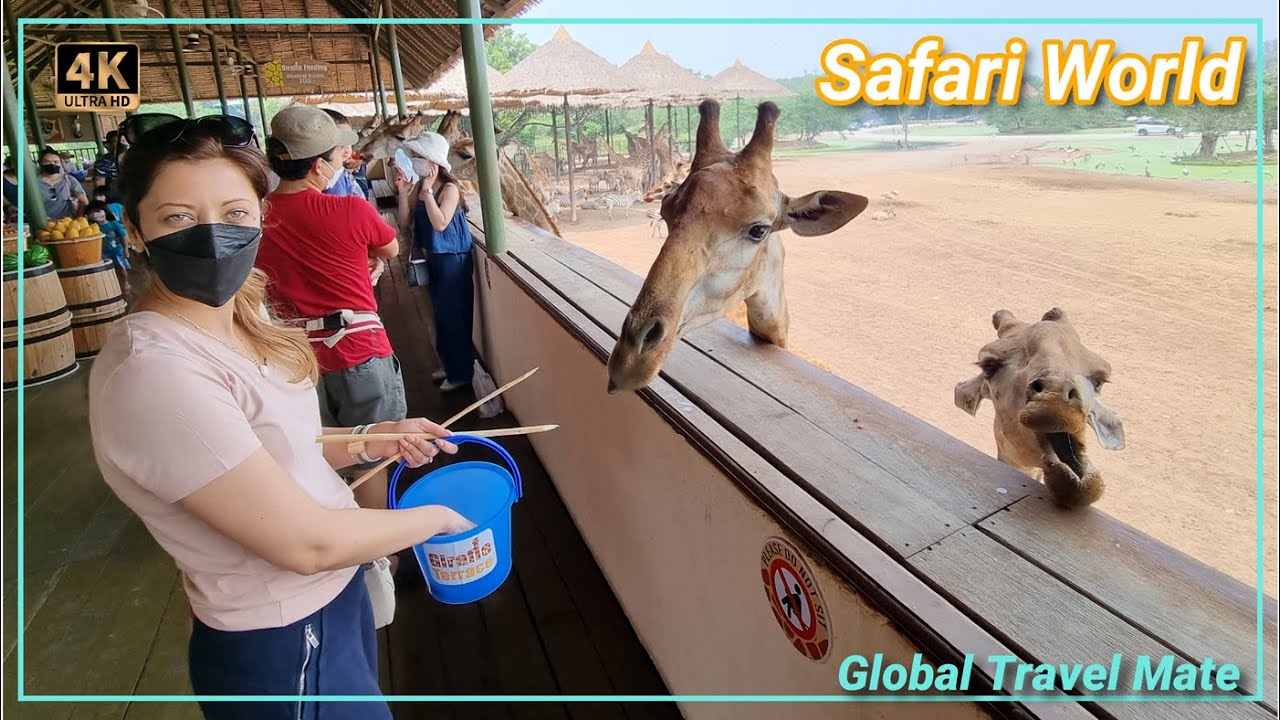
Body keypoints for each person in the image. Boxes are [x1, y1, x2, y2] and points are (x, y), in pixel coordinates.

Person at [88, 113, 474, 719]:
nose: (213, 234)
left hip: (325, 605)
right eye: (178, 217)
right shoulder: (155, 373)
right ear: (135, 231)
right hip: (282, 636)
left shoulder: (237, 319)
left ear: (260, 217)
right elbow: (308, 544)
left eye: (235, 213)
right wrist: (439, 518)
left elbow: (270, 447)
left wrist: (372, 438)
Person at [256, 105, 405, 515]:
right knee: (370, 455)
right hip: (357, 351)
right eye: (339, 158)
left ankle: (337, 539)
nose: (343, 164)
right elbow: (389, 248)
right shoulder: (349, 210)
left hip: (295, 358)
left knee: (316, 457)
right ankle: (381, 558)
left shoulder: (256, 218)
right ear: (319, 166)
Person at [395, 131, 475, 392]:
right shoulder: (420, 186)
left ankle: (461, 372)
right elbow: (405, 221)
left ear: (433, 161)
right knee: (440, 316)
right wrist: (403, 192)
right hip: (434, 257)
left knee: (453, 317)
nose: (416, 161)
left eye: (420, 156)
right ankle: (450, 365)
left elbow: (441, 223)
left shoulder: (449, 188)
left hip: (453, 259)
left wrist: (428, 192)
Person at [85, 200, 132, 293]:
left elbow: (123, 236)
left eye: (98, 211)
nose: (95, 215)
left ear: (105, 211)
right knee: (107, 270)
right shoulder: (92, 228)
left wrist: (125, 249)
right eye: (91, 213)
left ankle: (125, 282)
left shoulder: (114, 224)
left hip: (117, 251)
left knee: (121, 268)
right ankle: (112, 285)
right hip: (103, 253)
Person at [319, 109, 365, 199]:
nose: (348, 151)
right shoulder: (331, 182)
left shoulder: (339, 173)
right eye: (340, 145)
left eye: (349, 144)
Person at [37, 147, 88, 221]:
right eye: (47, 162)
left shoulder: (69, 180)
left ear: (61, 163)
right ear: (40, 163)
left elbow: (84, 201)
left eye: (55, 162)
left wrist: (78, 218)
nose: (51, 164)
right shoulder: (34, 183)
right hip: (42, 223)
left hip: (67, 223)